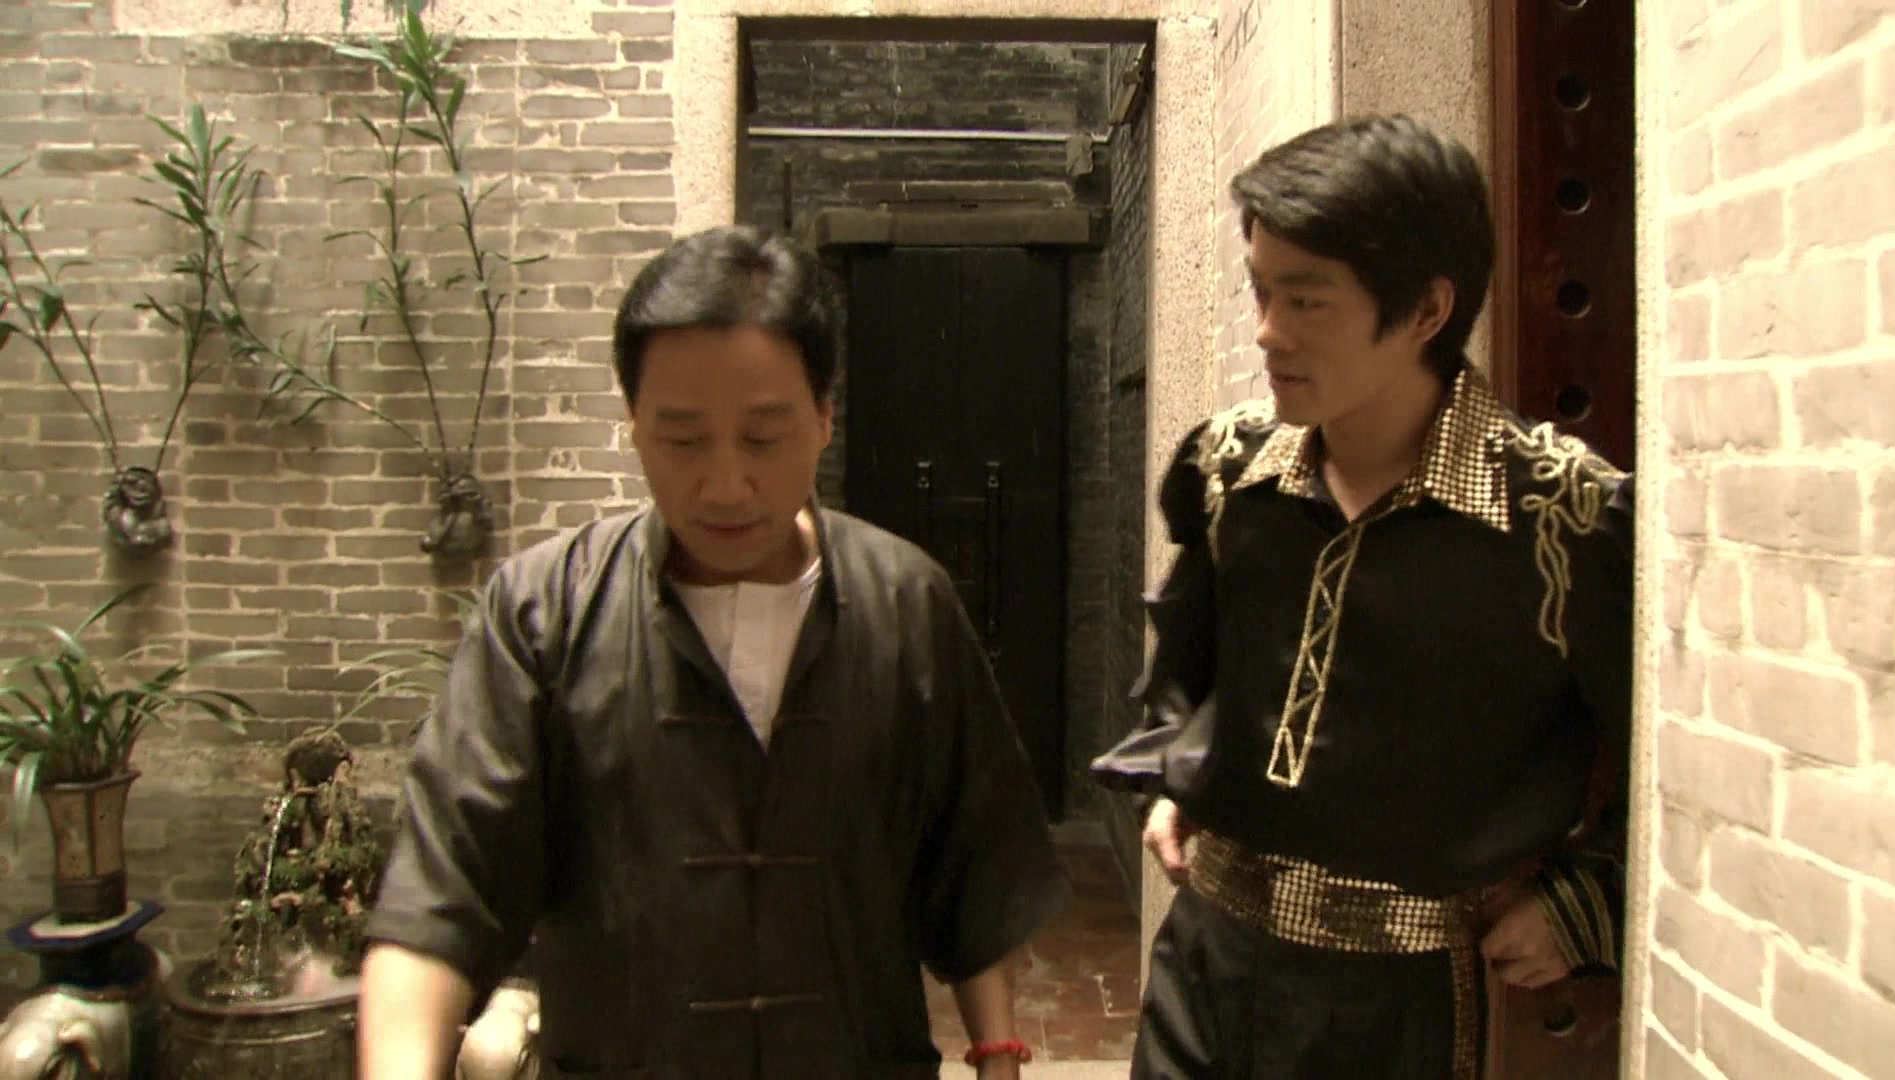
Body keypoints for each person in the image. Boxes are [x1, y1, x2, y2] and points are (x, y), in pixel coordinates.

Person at [359, 225, 1069, 1079]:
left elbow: (974, 866)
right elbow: (442, 895)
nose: (726, 485)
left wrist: (996, 1054)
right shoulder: (544, 613)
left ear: (824, 418)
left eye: (763, 437)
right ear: (634, 425)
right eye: (683, 439)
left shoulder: (906, 602)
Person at [1092, 114, 1633, 1079]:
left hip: (1400, 997)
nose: (1268, 331)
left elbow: (1665, 770)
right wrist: (1179, 772)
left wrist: (1581, 902)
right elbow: (1190, 655)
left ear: (1426, 310)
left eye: (1306, 300)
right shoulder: (1229, 465)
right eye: (1261, 291)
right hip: (1205, 956)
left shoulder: (1557, 511)